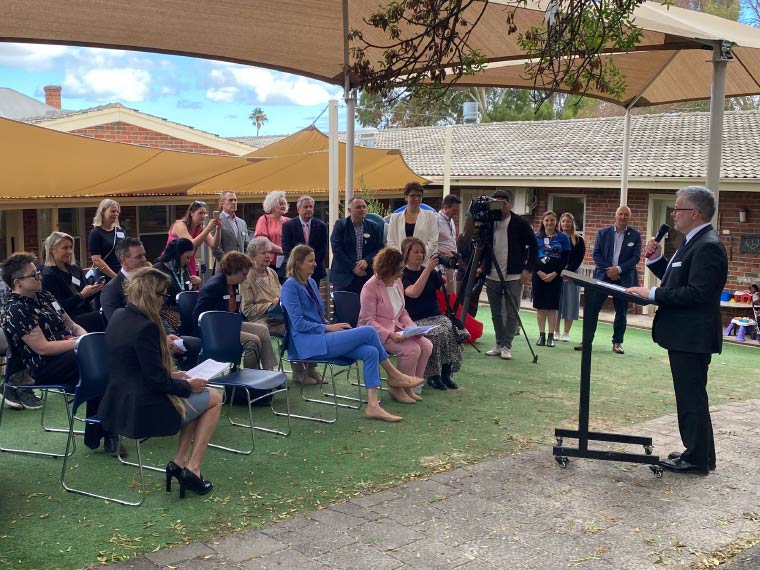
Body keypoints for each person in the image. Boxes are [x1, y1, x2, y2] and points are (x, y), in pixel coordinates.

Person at [627, 186, 727, 475]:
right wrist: (657, 261)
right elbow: (677, 281)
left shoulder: (707, 245)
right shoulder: (691, 242)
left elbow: (697, 293)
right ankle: (701, 453)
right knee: (691, 395)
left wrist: (652, 294)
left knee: (691, 397)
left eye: (678, 209)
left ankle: (696, 460)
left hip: (692, 335)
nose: (673, 213)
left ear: (694, 213)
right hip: (685, 334)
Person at [100, 267, 222, 497]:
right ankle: (192, 468)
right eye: (163, 295)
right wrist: (187, 385)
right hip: (143, 407)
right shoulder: (146, 327)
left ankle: (179, 462)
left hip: (120, 400)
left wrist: (178, 378)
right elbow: (156, 381)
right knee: (214, 398)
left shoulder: (119, 316)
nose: (164, 301)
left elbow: (139, 368)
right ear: (150, 294)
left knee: (198, 397)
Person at [280, 244, 422, 422]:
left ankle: (373, 406)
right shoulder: (290, 287)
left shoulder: (311, 282)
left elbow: (317, 317)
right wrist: (328, 327)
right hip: (307, 344)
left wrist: (330, 325)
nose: (315, 264)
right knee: (369, 331)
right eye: (311, 261)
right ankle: (394, 375)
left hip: (321, 337)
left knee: (370, 352)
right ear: (298, 263)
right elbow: (298, 324)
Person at [0, 252, 117, 453]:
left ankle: (103, 429)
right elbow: (43, 348)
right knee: (104, 363)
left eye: (38, 272)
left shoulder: (45, 296)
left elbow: (71, 324)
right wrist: (81, 343)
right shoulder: (15, 309)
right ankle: (104, 429)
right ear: (17, 282)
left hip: (70, 352)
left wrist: (83, 338)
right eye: (34, 275)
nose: (39, 276)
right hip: (46, 366)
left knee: (104, 364)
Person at [101, 238, 201, 371]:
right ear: (123, 260)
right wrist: (160, 339)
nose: (144, 259)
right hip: (135, 343)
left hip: (156, 334)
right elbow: (120, 325)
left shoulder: (148, 282)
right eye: (138, 256)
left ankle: (183, 378)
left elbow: (158, 314)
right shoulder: (111, 290)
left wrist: (168, 334)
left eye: (144, 255)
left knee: (194, 344)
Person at [241, 237, 321, 384]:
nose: (268, 256)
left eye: (269, 252)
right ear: (252, 256)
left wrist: (280, 301)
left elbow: (281, 295)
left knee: (299, 326)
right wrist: (270, 305)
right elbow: (247, 310)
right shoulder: (247, 276)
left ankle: (310, 368)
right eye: (263, 253)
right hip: (259, 318)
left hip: (279, 315)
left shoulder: (271, 272)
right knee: (274, 329)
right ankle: (285, 372)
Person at [359, 247, 432, 404]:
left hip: (397, 328)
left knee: (426, 345)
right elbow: (368, 320)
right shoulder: (369, 287)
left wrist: (414, 329)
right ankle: (396, 387)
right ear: (388, 268)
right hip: (375, 332)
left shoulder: (397, 282)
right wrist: (389, 334)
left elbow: (402, 311)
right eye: (399, 269)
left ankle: (411, 387)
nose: (402, 273)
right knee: (412, 349)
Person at [401, 237, 468, 391]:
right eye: (416, 252)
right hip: (415, 319)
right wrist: (428, 269)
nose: (420, 255)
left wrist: (450, 273)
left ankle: (446, 372)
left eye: (422, 252)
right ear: (406, 254)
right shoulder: (403, 274)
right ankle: (433, 375)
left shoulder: (430, 272)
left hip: (435, 315)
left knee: (453, 330)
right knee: (437, 333)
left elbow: (449, 291)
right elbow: (413, 293)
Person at [193, 251, 277, 371]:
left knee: (263, 330)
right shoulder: (214, 286)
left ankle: (269, 372)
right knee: (253, 341)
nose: (245, 277)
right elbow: (197, 315)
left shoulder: (233, 284)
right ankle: (251, 378)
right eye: (243, 274)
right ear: (232, 270)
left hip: (230, 324)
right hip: (215, 330)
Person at [575, 205, 641, 355]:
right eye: (620, 214)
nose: (623, 217)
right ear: (615, 216)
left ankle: (617, 342)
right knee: (592, 309)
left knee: (621, 312)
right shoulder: (603, 233)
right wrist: (609, 270)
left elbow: (635, 258)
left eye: (626, 215)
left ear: (629, 217)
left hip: (623, 278)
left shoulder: (635, 235)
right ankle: (586, 341)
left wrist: (618, 270)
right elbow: (596, 254)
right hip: (603, 277)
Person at [483, 189, 537, 360]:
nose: (500, 206)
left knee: (512, 312)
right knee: (496, 312)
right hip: (492, 274)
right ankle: (499, 343)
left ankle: (507, 344)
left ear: (510, 204)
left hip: (513, 275)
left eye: (503, 203)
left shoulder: (520, 223)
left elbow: (535, 247)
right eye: (496, 202)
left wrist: (527, 269)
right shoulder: (489, 222)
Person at [41, 231, 104, 332]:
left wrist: (95, 290)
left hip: (86, 313)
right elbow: (56, 307)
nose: (69, 251)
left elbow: (85, 298)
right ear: (52, 249)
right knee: (104, 316)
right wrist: (81, 296)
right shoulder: (48, 275)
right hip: (69, 320)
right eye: (65, 248)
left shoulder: (75, 269)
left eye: (71, 247)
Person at [532, 211, 570, 348]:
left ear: (556, 222)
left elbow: (565, 258)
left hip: (555, 276)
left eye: (552, 220)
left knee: (552, 308)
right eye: (547, 220)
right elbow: (531, 256)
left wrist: (555, 273)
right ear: (543, 222)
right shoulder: (535, 237)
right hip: (539, 276)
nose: (549, 223)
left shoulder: (563, 238)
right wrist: (539, 272)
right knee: (540, 307)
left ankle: (550, 336)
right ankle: (541, 335)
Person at [329, 196, 383, 294]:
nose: (362, 209)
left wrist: (367, 261)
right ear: (349, 210)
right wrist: (353, 267)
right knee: (344, 308)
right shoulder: (340, 225)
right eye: (358, 207)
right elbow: (337, 249)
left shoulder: (374, 227)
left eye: (363, 207)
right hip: (344, 277)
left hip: (366, 276)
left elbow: (379, 249)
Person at [153, 237, 201, 331]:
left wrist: (195, 284)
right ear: (177, 255)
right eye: (187, 257)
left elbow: (187, 289)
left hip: (185, 308)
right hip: (165, 309)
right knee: (186, 323)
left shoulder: (184, 268)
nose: (189, 261)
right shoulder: (159, 269)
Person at [280, 195, 328, 284]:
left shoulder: (321, 226)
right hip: (294, 270)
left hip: (315, 270)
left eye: (311, 207)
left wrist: (311, 264)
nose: (309, 209)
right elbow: (286, 249)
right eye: (305, 207)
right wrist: (302, 265)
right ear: (298, 209)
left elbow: (322, 250)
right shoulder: (288, 226)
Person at [166, 200, 221, 276]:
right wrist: (208, 228)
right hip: (173, 261)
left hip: (188, 261)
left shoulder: (200, 228)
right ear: (191, 213)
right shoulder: (180, 225)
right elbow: (190, 244)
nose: (203, 216)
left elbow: (214, 244)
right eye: (200, 213)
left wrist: (218, 229)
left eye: (204, 213)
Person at [387, 182, 438, 262]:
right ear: (406, 197)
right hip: (401, 264)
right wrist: (404, 257)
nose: (416, 198)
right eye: (413, 195)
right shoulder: (395, 218)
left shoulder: (431, 216)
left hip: (424, 264)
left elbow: (433, 241)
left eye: (419, 196)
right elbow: (391, 242)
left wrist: (418, 256)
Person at [555, 212, 586, 342]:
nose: (565, 224)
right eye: (563, 221)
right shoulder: (556, 238)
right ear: (560, 224)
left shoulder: (579, 240)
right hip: (556, 273)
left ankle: (566, 332)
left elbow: (578, 259)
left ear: (572, 223)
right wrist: (559, 271)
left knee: (570, 303)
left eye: (568, 221)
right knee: (557, 303)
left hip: (572, 275)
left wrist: (567, 272)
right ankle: (555, 330)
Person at [87, 198, 126, 282]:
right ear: (103, 212)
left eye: (117, 212)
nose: (116, 214)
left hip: (122, 274)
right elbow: (96, 259)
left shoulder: (121, 231)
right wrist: (115, 277)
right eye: (112, 211)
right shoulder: (96, 233)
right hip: (105, 277)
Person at [254, 190, 290, 273]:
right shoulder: (264, 219)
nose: (284, 206)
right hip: (269, 263)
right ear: (272, 205)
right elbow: (262, 242)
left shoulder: (289, 221)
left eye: (285, 204)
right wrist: (282, 250)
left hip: (287, 263)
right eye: (281, 204)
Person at [214, 190, 249, 263]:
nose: (233, 202)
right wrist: (228, 263)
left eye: (235, 200)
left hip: (241, 267)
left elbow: (246, 245)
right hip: (224, 267)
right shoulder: (216, 221)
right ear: (222, 203)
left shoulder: (242, 223)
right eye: (230, 200)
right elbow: (216, 248)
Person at [437, 194, 462, 295]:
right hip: (442, 264)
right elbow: (430, 243)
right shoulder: (436, 220)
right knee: (445, 293)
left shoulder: (450, 220)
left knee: (452, 293)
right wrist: (445, 252)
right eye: (454, 210)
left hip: (452, 263)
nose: (456, 214)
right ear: (445, 207)